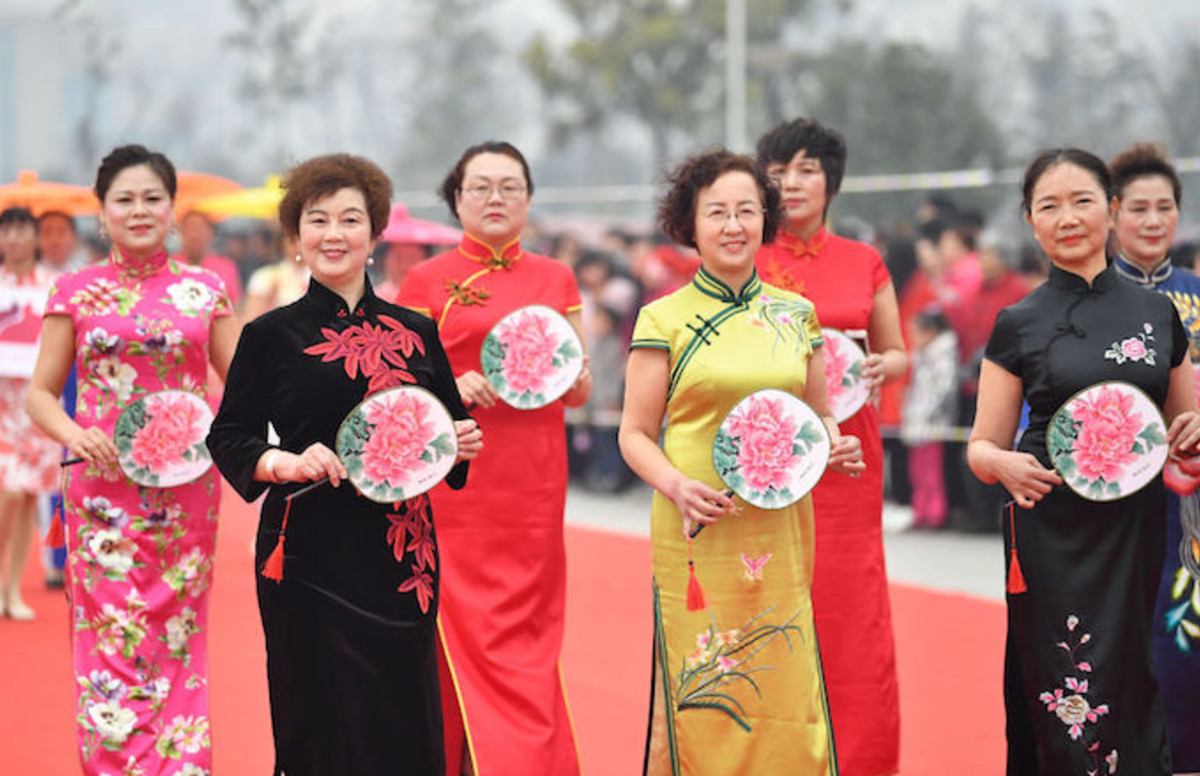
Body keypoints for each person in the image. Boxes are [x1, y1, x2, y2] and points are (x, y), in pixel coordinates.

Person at [206, 153, 483, 775]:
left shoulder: (416, 331)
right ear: (297, 236)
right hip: (306, 555)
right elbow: (229, 436)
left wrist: (461, 442)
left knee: (403, 711)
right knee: (318, 715)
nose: (334, 234)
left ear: (375, 232)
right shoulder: (269, 335)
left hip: (399, 556)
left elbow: (446, 434)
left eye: (350, 219)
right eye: (318, 219)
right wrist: (286, 463)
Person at [619, 149, 863, 774]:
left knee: (783, 674)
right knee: (705, 681)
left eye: (746, 211)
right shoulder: (663, 318)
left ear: (766, 219)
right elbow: (636, 433)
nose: (733, 226)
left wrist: (834, 442)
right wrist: (675, 485)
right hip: (697, 527)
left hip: (780, 526)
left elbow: (818, 415)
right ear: (690, 224)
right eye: (717, 213)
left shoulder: (796, 314)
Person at [967, 148, 1200, 775]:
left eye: (1083, 201)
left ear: (1112, 211)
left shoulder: (1158, 314)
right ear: (1031, 221)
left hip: (1137, 524)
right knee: (1060, 676)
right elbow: (981, 447)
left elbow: (1186, 423)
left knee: (1133, 668)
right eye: (1050, 205)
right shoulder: (1017, 322)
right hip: (1049, 525)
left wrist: (1192, 432)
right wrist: (1005, 465)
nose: (1068, 216)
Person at [25, 145, 238, 773]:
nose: (139, 210)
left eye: (152, 198)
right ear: (102, 212)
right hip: (101, 494)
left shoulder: (206, 289)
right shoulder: (76, 290)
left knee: (175, 637)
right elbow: (40, 394)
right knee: (111, 639)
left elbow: (249, 383)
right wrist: (74, 432)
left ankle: (181, 766)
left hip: (187, 494)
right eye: (125, 199)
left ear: (173, 210)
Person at [397, 140, 591, 776]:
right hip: (458, 482)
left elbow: (583, 385)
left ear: (530, 199)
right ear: (456, 200)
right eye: (480, 187)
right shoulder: (426, 282)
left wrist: (553, 370)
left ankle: (525, 760)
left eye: (510, 186)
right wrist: (453, 384)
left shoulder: (555, 278)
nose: (496, 198)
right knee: (454, 628)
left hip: (533, 481)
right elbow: (404, 385)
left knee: (528, 635)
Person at [754, 117, 908, 775]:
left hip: (849, 457)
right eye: (781, 170)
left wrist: (883, 368)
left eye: (808, 169)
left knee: (851, 607)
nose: (793, 182)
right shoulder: (744, 255)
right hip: (766, 451)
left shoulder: (863, 261)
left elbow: (898, 350)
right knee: (767, 596)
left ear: (831, 182)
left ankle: (860, 755)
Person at [1109, 142, 1200, 776]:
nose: (1151, 219)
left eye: (1164, 207)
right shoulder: (1090, 296)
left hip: (1190, 507)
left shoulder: (1196, 293)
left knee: (1184, 651)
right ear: (1113, 213)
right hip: (1116, 507)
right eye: (1137, 207)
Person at [0, 207, 60, 619]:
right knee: (9, 492)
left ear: (35, 237)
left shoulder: (53, 287)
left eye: (23, 230)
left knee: (27, 500)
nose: (15, 238)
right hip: (1, 402)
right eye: (8, 230)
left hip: (36, 401)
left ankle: (12, 588)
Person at [900, 306, 958, 529]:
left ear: (932, 331)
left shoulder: (943, 353)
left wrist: (927, 412)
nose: (915, 338)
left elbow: (944, 388)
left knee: (932, 470)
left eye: (918, 332)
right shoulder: (922, 355)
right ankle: (920, 509)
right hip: (917, 422)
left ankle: (935, 512)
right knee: (917, 470)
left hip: (934, 423)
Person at [173, 210, 244, 310]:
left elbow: (235, 304)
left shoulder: (226, 266)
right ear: (180, 231)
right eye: (189, 228)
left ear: (211, 232)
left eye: (199, 229)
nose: (194, 235)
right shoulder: (169, 266)